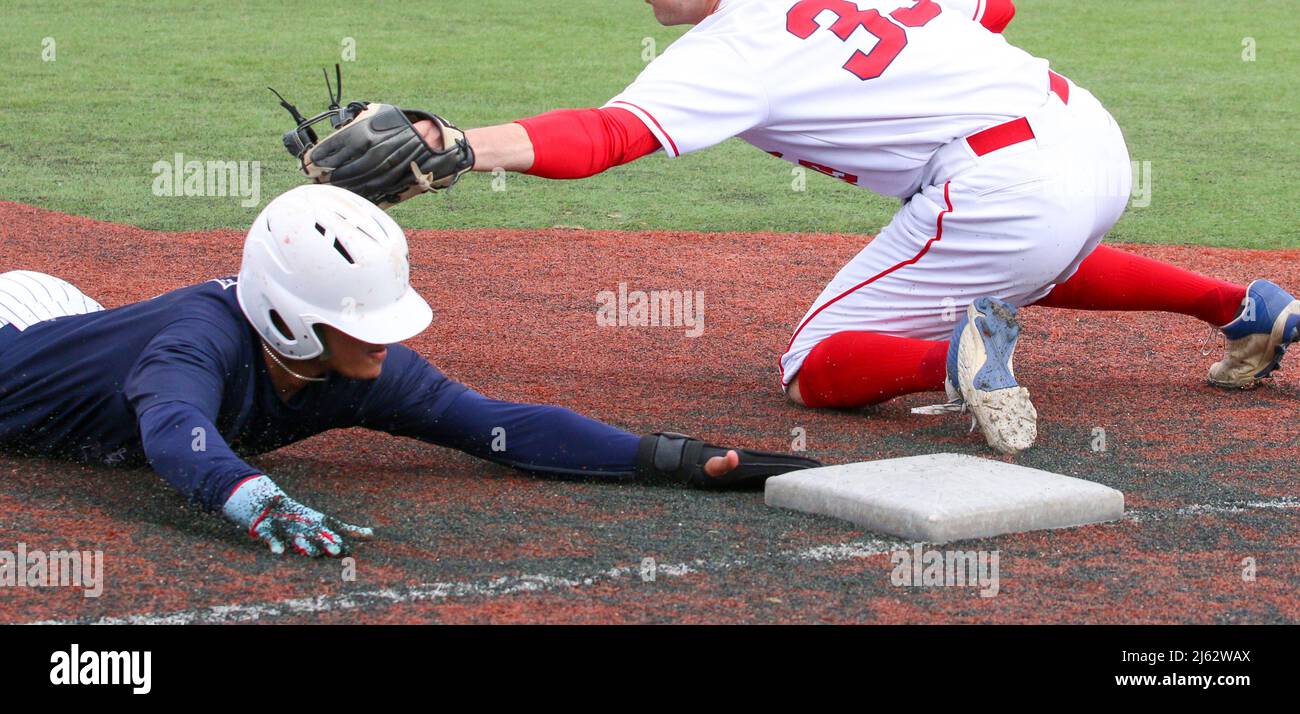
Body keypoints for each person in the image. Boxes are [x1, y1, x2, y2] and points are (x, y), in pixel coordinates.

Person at [393, 0, 1299, 455]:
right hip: (1088, 139)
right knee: (1012, 258)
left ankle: (949, 363)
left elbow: (607, 135)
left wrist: (461, 144)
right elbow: (992, 11)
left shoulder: (729, 45)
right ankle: (1245, 306)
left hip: (1004, 180)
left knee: (812, 364)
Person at [0, 184, 820, 558]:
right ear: (291, 317)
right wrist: (254, 499)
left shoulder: (358, 368)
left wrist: (672, 458)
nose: (384, 345)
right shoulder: (193, 346)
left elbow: (493, 425)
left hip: (71, 332)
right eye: (361, 323)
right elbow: (175, 438)